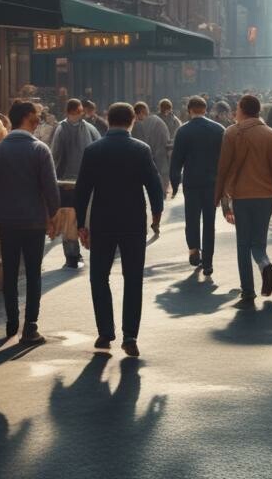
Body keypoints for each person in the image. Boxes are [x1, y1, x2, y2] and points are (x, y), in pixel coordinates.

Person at [75, 103, 165, 357]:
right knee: (133, 278)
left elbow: (82, 190)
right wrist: (156, 213)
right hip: (133, 222)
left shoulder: (93, 150)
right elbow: (154, 185)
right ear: (132, 121)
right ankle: (130, 336)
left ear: (107, 118)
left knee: (99, 276)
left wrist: (81, 223)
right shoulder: (140, 149)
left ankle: (105, 332)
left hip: (103, 222)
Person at [0, 101, 61, 343]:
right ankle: (30, 327)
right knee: (34, 273)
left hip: (6, 221)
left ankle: (11, 321)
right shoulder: (39, 150)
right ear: (27, 117)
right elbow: (51, 191)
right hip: (34, 221)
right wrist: (53, 216)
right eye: (36, 114)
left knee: (10, 272)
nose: (39, 117)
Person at [215, 95, 272, 302]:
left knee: (243, 244)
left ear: (243, 110)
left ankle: (248, 289)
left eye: (237, 108)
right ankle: (264, 263)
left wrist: (219, 197)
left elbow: (223, 168)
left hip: (241, 196)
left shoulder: (231, 133)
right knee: (258, 242)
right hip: (265, 196)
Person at [169, 96, 225, 275]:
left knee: (192, 218)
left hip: (191, 182)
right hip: (212, 183)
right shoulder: (219, 130)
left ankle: (193, 248)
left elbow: (176, 160)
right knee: (209, 222)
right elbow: (225, 159)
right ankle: (208, 262)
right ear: (206, 109)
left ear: (189, 110)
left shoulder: (183, 131)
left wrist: (175, 182)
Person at [50, 99, 101, 269]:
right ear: (70, 112)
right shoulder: (63, 129)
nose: (79, 115)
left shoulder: (67, 128)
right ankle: (72, 255)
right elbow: (55, 155)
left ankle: (75, 254)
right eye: (77, 112)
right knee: (73, 219)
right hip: (70, 183)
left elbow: (54, 156)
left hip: (73, 183)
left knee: (73, 220)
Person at [131, 101, 172, 193]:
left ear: (141, 113)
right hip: (161, 156)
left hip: (154, 156)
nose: (135, 119)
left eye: (136, 116)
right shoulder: (158, 121)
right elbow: (167, 139)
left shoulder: (139, 125)